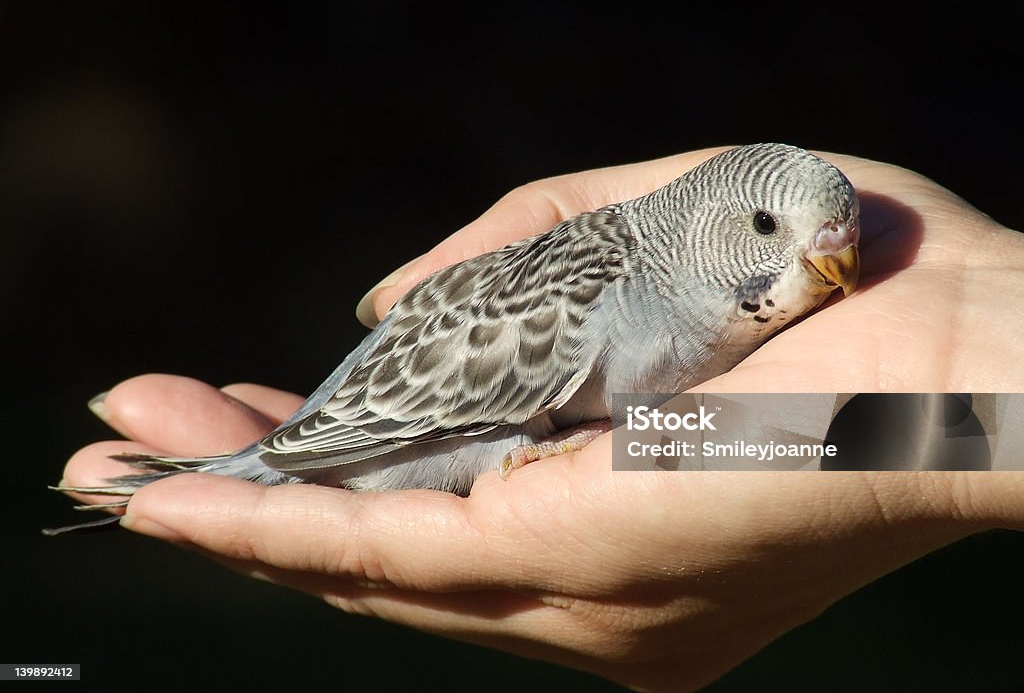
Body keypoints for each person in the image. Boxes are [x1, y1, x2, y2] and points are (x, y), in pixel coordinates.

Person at [61, 148, 1024, 692]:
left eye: (841, 241)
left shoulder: (708, 301)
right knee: (229, 485)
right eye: (773, 232)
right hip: (390, 437)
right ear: (713, 225)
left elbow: (930, 423)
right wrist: (947, 424)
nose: (832, 264)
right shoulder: (597, 291)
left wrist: (943, 400)